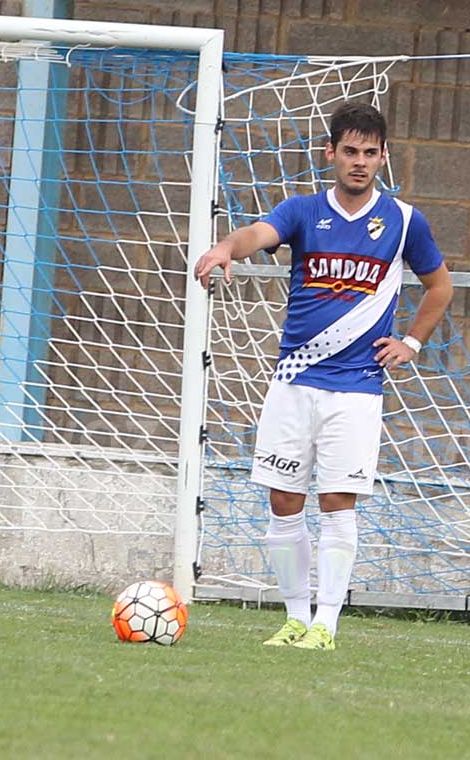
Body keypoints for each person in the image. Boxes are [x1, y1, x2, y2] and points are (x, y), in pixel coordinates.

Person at [194, 102, 453, 650]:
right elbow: (257, 233)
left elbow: (440, 286)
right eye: (350, 151)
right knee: (284, 502)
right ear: (330, 153)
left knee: (337, 502)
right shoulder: (304, 211)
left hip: (356, 387)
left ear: (383, 157)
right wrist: (224, 247)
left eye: (370, 153)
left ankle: (326, 625)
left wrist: (411, 342)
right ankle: (294, 618)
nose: (359, 162)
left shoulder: (404, 221)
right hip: (294, 381)